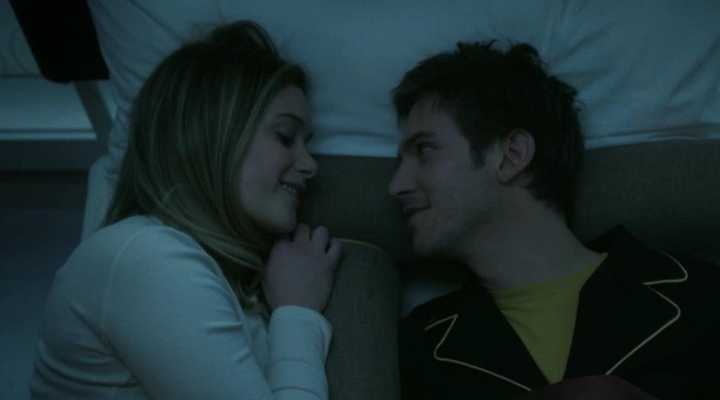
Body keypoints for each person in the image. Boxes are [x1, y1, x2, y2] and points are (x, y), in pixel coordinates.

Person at [30, 21, 342, 399]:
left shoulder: (219, 276)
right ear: (211, 134)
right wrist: (297, 312)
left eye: (307, 144)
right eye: (285, 137)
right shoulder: (148, 257)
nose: (310, 164)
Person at [390, 40, 719, 399]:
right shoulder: (419, 348)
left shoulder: (701, 296)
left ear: (512, 155)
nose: (396, 185)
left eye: (424, 150)